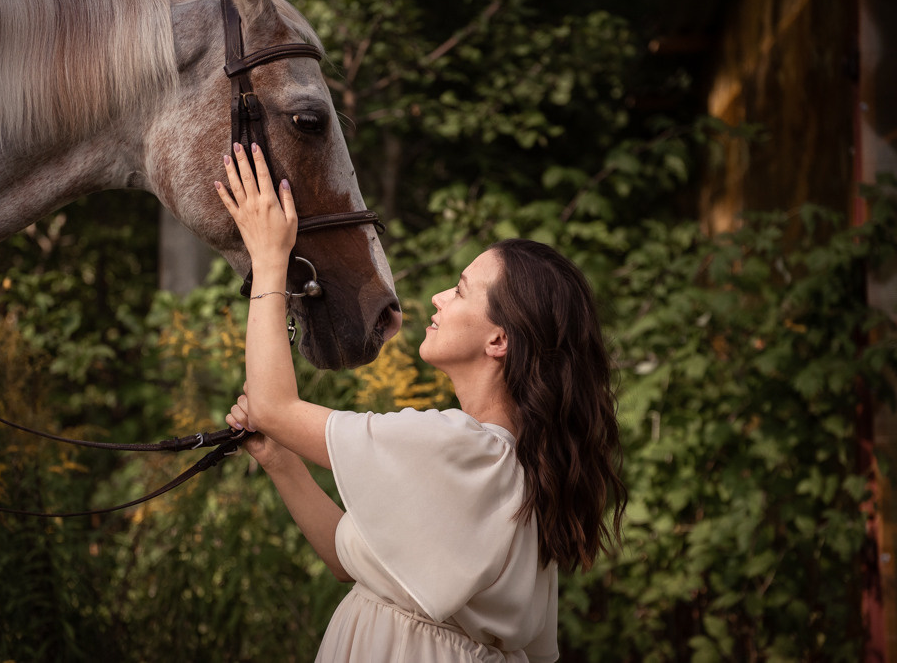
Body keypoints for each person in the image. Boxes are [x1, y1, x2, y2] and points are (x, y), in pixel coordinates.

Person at [214, 142, 626, 662]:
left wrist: (270, 257)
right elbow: (351, 559)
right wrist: (281, 460)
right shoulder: (513, 471)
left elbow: (273, 405)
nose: (438, 298)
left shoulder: (459, 448)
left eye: (460, 289)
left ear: (498, 340)